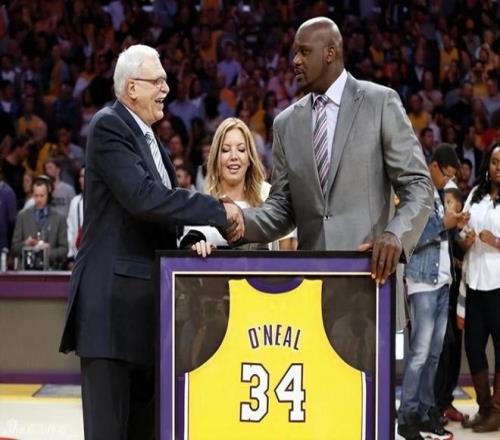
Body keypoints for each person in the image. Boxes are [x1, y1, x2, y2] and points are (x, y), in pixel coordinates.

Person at [58, 44, 240, 440]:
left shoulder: (152, 141)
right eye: (157, 81)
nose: (166, 89)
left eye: (165, 81)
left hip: (144, 316)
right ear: (131, 88)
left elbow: (161, 219)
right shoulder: (109, 125)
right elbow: (143, 198)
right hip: (111, 314)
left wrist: (193, 240)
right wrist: (218, 210)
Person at [232, 17, 433, 285]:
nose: (295, 61)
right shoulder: (285, 123)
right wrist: (238, 219)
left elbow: (418, 184)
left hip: (371, 278)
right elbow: (282, 208)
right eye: (294, 53)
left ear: (330, 53)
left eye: (304, 52)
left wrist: (396, 234)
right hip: (311, 283)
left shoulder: (380, 102)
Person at [398, 145, 466, 440]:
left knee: (434, 355)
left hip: (441, 281)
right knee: (420, 354)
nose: (448, 181)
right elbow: (408, 237)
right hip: (423, 282)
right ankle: (407, 415)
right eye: (446, 174)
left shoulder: (437, 195)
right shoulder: (417, 191)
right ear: (434, 166)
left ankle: (426, 411)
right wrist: (443, 224)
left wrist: (454, 225)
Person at [181, 117, 273, 256]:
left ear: (249, 158)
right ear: (216, 159)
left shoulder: (268, 197)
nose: (234, 156)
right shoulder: (200, 206)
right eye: (225, 150)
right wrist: (196, 250)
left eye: (241, 149)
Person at [459, 143, 500, 433]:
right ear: (488, 165)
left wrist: (495, 241)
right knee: (473, 348)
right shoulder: (475, 194)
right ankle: (484, 408)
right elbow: (461, 230)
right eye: (495, 162)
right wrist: (466, 240)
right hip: (474, 282)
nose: (499, 167)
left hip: (498, 284)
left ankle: (497, 410)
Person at [434, 187, 466, 423]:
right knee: (441, 350)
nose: (446, 206)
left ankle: (446, 400)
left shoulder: (459, 229)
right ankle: (435, 404)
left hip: (459, 295)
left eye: (450, 202)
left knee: (454, 350)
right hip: (439, 292)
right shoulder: (440, 224)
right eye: (444, 202)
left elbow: (464, 255)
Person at [11, 176, 68, 269]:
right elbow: (14, 247)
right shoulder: (22, 216)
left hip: (51, 270)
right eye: (36, 195)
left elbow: (64, 250)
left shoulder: (59, 218)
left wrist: (47, 252)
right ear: (32, 195)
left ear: (48, 195)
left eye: (42, 196)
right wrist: (26, 244)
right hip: (27, 272)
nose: (39, 199)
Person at [66, 167, 85, 263]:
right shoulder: (75, 201)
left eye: (85, 176)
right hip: (76, 255)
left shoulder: (100, 202)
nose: (83, 179)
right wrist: (71, 255)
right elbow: (70, 229)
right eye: (81, 176)